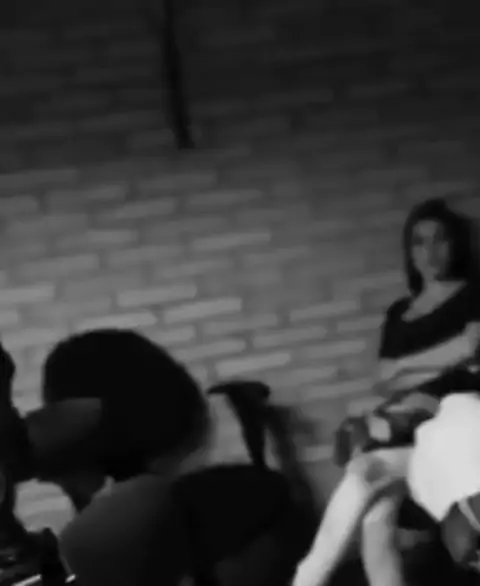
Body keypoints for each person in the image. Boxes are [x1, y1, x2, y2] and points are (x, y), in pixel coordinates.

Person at [293, 198, 480, 586]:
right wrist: (446, 362)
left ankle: (306, 578)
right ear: (409, 252)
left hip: (458, 424)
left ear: (456, 245)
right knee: (376, 516)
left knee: (366, 478)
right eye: (419, 242)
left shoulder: (473, 294)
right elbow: (385, 379)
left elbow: (470, 349)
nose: (430, 251)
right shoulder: (399, 313)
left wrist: (404, 367)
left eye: (440, 239)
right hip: (408, 424)